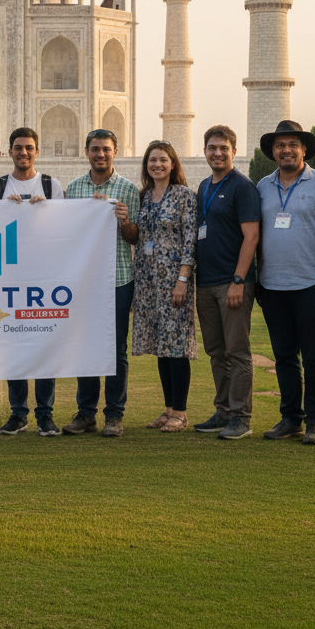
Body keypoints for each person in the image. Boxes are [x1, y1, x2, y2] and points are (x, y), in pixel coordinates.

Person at [255, 121, 315, 446]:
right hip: (273, 287)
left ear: (304, 149)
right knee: (284, 357)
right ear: (273, 152)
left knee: (314, 357)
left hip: (311, 285)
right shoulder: (263, 186)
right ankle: (291, 417)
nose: (286, 150)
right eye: (280, 145)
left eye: (293, 144)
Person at [0, 127, 64, 438]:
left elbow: (64, 229)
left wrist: (41, 213)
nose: (23, 153)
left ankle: (45, 414)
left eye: (29, 148)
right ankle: (18, 413)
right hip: (9, 278)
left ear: (37, 151)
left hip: (43, 279)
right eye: (18, 148)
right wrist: (8, 212)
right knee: (14, 346)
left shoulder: (51, 185)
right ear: (10, 152)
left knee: (45, 346)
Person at [62, 128, 140, 437]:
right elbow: (68, 235)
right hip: (85, 281)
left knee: (116, 349)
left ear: (114, 152)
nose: (101, 154)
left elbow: (134, 237)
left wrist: (123, 220)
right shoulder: (74, 189)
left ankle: (114, 415)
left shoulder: (128, 190)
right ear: (87, 152)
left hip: (119, 278)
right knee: (85, 347)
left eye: (106, 149)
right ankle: (85, 414)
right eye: (95, 149)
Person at [192, 126, 261, 440]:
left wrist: (239, 280)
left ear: (233, 151)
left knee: (237, 351)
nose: (217, 153)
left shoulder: (241, 186)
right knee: (216, 351)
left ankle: (241, 417)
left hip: (231, 283)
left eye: (223, 148)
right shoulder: (205, 186)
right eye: (211, 148)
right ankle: (223, 411)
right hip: (206, 283)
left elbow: (252, 236)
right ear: (204, 151)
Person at [132, 141, 198, 432]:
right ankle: (168, 408)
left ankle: (180, 413)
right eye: (152, 160)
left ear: (173, 164)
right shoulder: (145, 196)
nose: (157, 165)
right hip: (148, 281)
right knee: (161, 345)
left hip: (174, 280)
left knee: (177, 346)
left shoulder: (184, 196)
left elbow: (190, 240)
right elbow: (138, 236)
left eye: (162, 160)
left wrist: (182, 280)